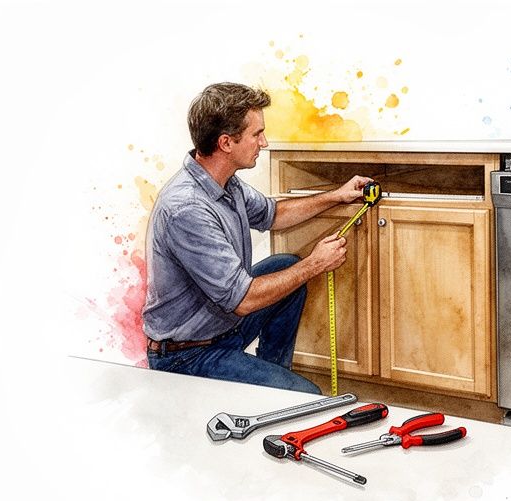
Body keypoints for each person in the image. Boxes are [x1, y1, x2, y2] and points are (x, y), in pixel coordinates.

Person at [143, 82, 372, 393]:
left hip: (220, 330)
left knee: (284, 264)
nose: (263, 142)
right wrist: (315, 264)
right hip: (187, 358)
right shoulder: (188, 208)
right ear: (226, 142)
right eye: (256, 134)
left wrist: (336, 195)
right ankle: (279, 396)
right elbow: (244, 299)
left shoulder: (225, 183)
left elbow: (273, 215)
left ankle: (270, 388)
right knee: (308, 397)